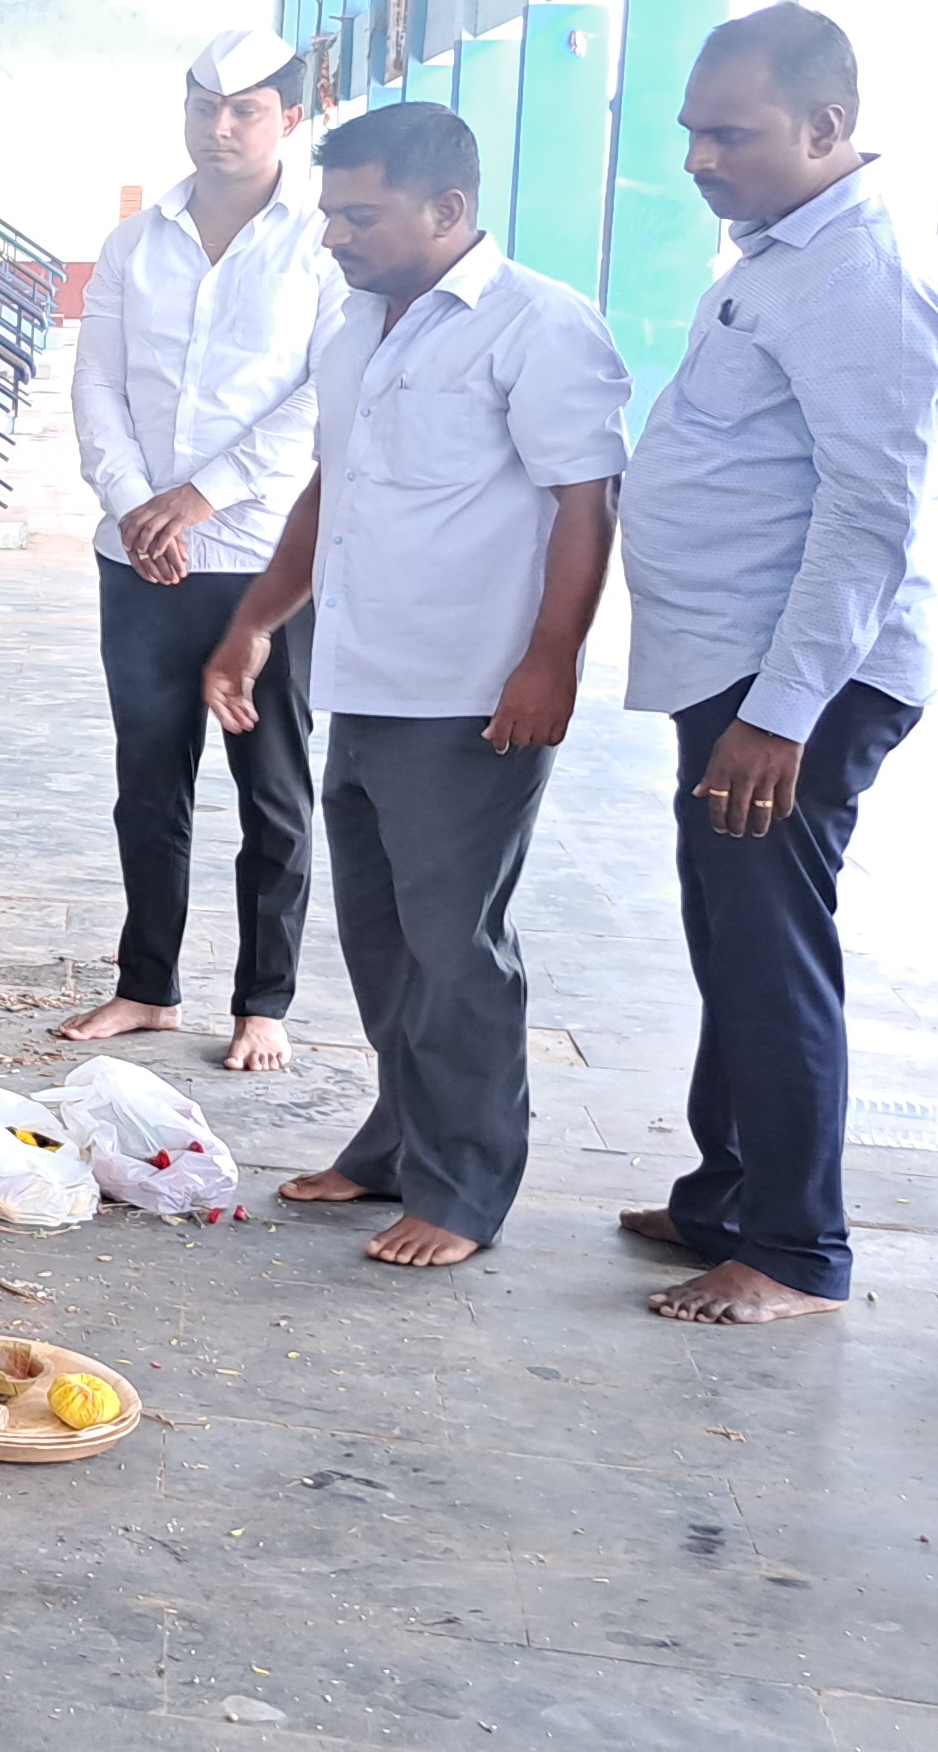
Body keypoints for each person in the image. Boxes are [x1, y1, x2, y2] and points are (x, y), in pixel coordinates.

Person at [203, 103, 629, 1268]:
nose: (333, 234)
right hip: (365, 676)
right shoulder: (358, 327)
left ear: (447, 210)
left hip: (473, 689)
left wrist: (551, 660)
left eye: (360, 214)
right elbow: (329, 488)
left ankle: (465, 1186)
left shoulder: (537, 326)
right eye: (331, 211)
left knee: (455, 944)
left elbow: (583, 504)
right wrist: (253, 626)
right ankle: (398, 1138)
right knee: (385, 940)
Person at [611, 5, 938, 1326]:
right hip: (740, 666)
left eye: (732, 134)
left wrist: (784, 715)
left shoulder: (864, 280)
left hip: (794, 681)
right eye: (693, 131)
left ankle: (800, 1250)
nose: (701, 157)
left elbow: (870, 519)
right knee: (727, 927)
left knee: (771, 947)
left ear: (826, 129)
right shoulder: (783, 253)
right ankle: (728, 1197)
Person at [59, 30, 334, 1072]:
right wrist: (138, 507)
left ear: (289, 120)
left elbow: (320, 395)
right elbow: (97, 385)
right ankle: (146, 985)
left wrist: (196, 497)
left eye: (246, 111)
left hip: (265, 555)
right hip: (137, 557)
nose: (219, 129)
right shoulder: (135, 242)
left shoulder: (317, 242)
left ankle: (263, 999)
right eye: (203, 107)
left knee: (270, 786)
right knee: (147, 779)